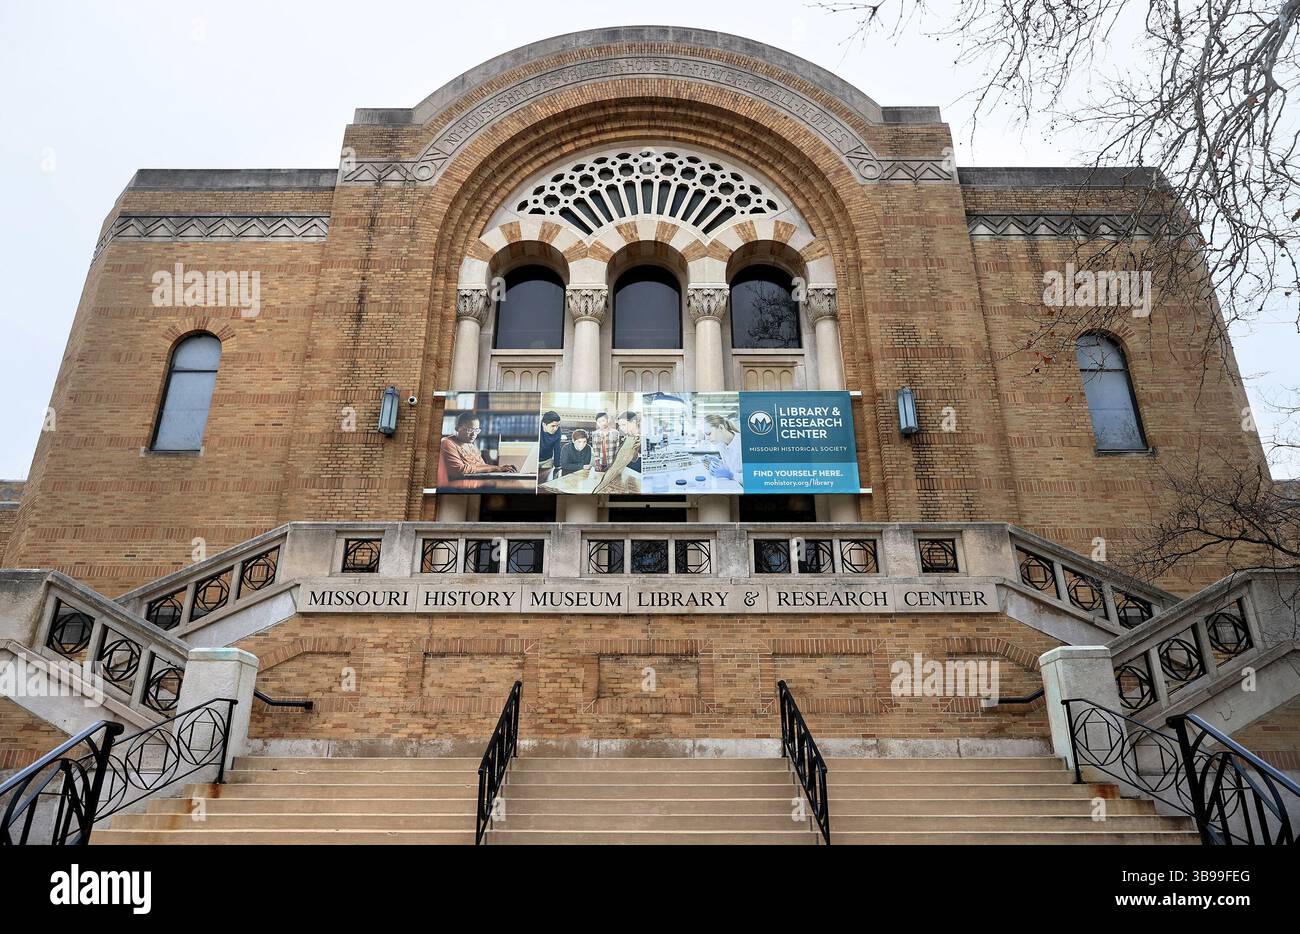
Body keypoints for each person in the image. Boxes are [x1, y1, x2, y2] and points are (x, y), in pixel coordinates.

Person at [438, 412, 517, 485]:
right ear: (457, 428)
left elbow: (482, 466)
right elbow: (460, 470)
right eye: (469, 430)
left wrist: (501, 468)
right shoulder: (447, 442)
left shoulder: (470, 444)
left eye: (476, 430)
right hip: (459, 486)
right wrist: (495, 468)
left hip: (476, 483)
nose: (473, 434)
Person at [702, 414, 743, 481]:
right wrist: (718, 462)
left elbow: (756, 477)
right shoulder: (721, 444)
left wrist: (731, 475)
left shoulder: (743, 443)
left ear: (721, 427)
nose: (707, 438)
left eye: (709, 433)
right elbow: (732, 467)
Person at [538, 410, 562, 480]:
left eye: (557, 426)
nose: (555, 428)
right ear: (544, 424)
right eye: (553, 426)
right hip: (535, 460)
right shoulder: (537, 429)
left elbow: (557, 449)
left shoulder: (558, 430)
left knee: (545, 481)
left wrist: (557, 466)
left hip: (547, 460)